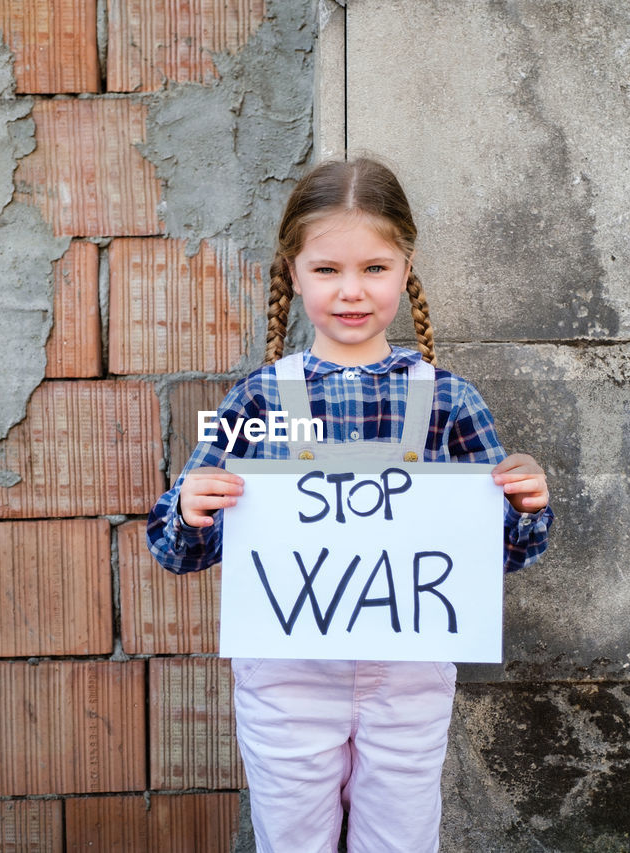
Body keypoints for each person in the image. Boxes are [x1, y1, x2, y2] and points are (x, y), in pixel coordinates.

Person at [146, 156, 553, 852]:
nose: (351, 291)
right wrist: (190, 505)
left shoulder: (448, 399)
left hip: (409, 679)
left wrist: (524, 500)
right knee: (295, 840)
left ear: (405, 267)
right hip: (287, 678)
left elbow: (501, 553)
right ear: (294, 272)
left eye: (375, 268)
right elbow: (173, 547)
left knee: (400, 841)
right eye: (327, 269)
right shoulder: (260, 400)